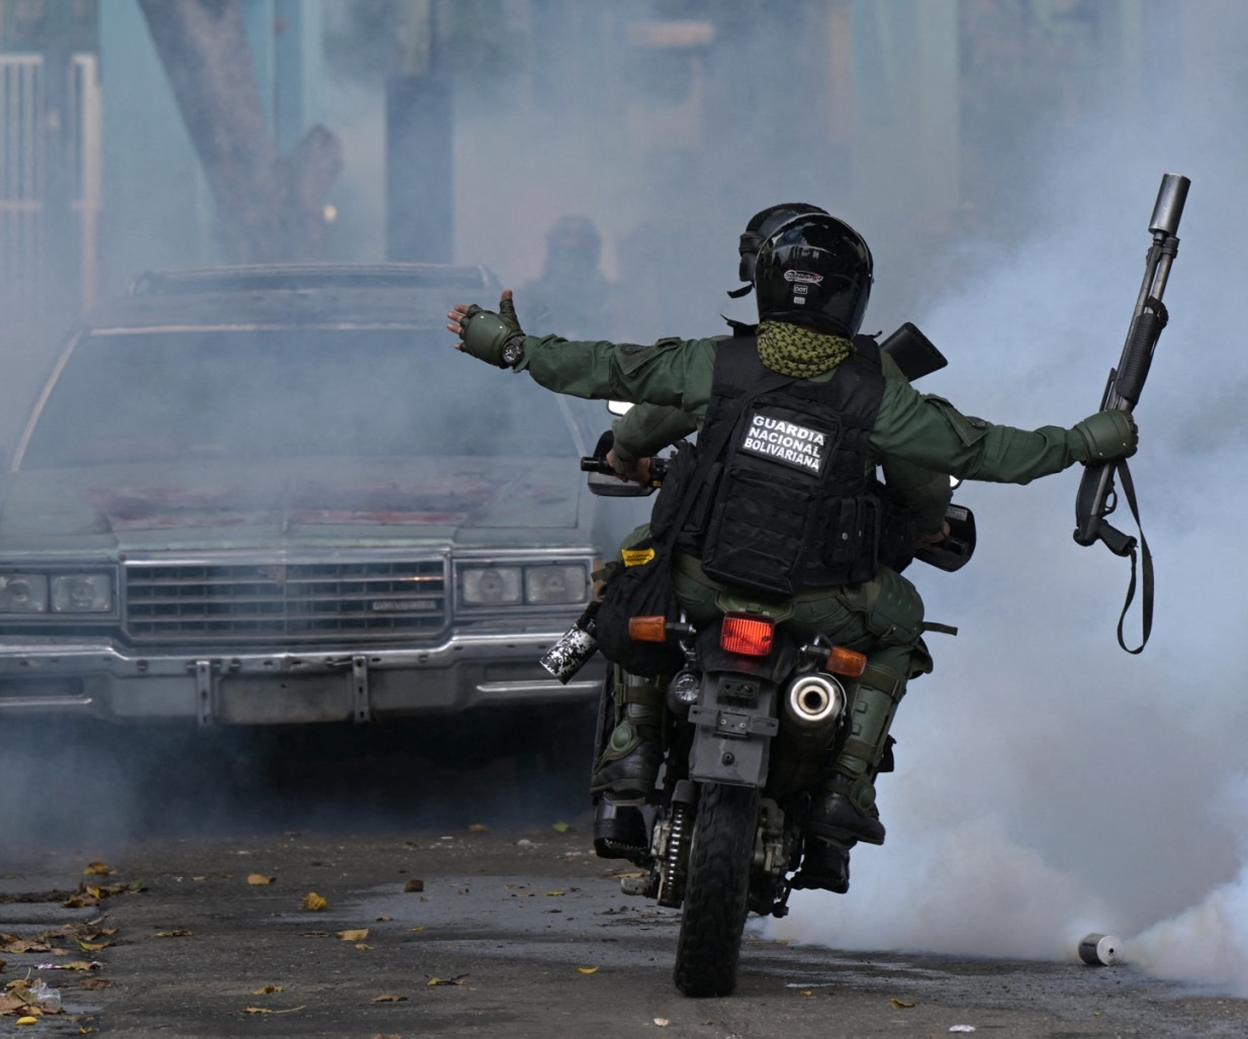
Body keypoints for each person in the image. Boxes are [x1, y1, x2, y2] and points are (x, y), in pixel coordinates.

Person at [446, 213, 1137, 870]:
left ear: (768, 285)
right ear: (853, 300)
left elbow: (610, 369)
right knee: (899, 623)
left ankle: (631, 747)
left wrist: (511, 347)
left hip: (701, 580)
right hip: (818, 602)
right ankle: (845, 786)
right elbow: (979, 450)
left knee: (637, 576)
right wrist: (1079, 442)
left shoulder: (716, 362)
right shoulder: (878, 392)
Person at [517, 215, 620, 340]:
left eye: (580, 255)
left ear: (592, 257)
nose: (570, 264)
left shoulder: (612, 303)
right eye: (561, 253)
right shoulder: (529, 299)